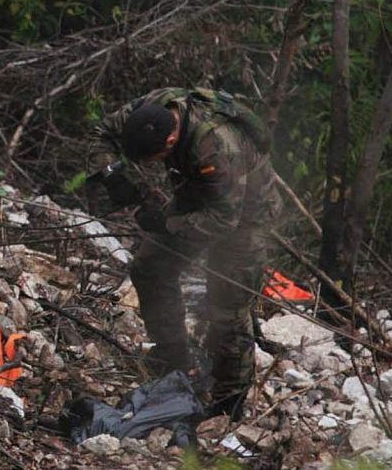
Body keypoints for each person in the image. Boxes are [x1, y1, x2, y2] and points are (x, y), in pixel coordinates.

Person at [98, 86, 279, 419]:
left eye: (152, 161)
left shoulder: (216, 147)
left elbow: (224, 220)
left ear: (169, 143)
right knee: (150, 269)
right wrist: (113, 177)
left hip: (245, 216)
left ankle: (228, 404)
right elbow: (102, 133)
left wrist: (167, 224)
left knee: (226, 306)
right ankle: (175, 362)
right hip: (196, 195)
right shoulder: (150, 109)